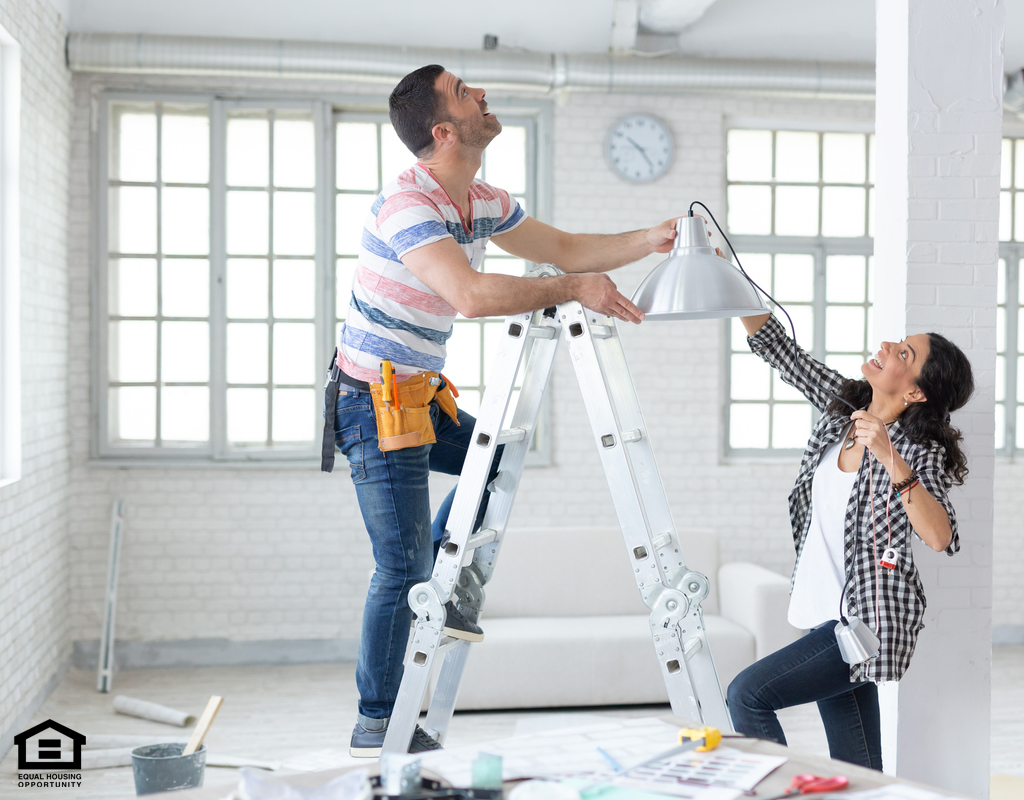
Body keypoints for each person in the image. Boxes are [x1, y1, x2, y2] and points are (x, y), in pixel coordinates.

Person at [329, 63, 683, 757]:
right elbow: (468, 294)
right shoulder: (408, 204)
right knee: (400, 568)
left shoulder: (481, 199)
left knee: (498, 463)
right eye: (465, 92)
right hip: (371, 406)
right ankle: (376, 718)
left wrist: (649, 238)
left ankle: (440, 573)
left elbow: (563, 250)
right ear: (443, 130)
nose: (482, 94)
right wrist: (573, 287)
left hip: (419, 398)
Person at [725, 311, 974, 770]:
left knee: (748, 694)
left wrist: (889, 454)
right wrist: (727, 276)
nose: (886, 347)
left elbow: (940, 536)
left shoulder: (920, 450)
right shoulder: (843, 408)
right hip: (821, 615)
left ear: (916, 391)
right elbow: (783, 351)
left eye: (903, 353)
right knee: (857, 764)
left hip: (867, 620)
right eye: (897, 342)